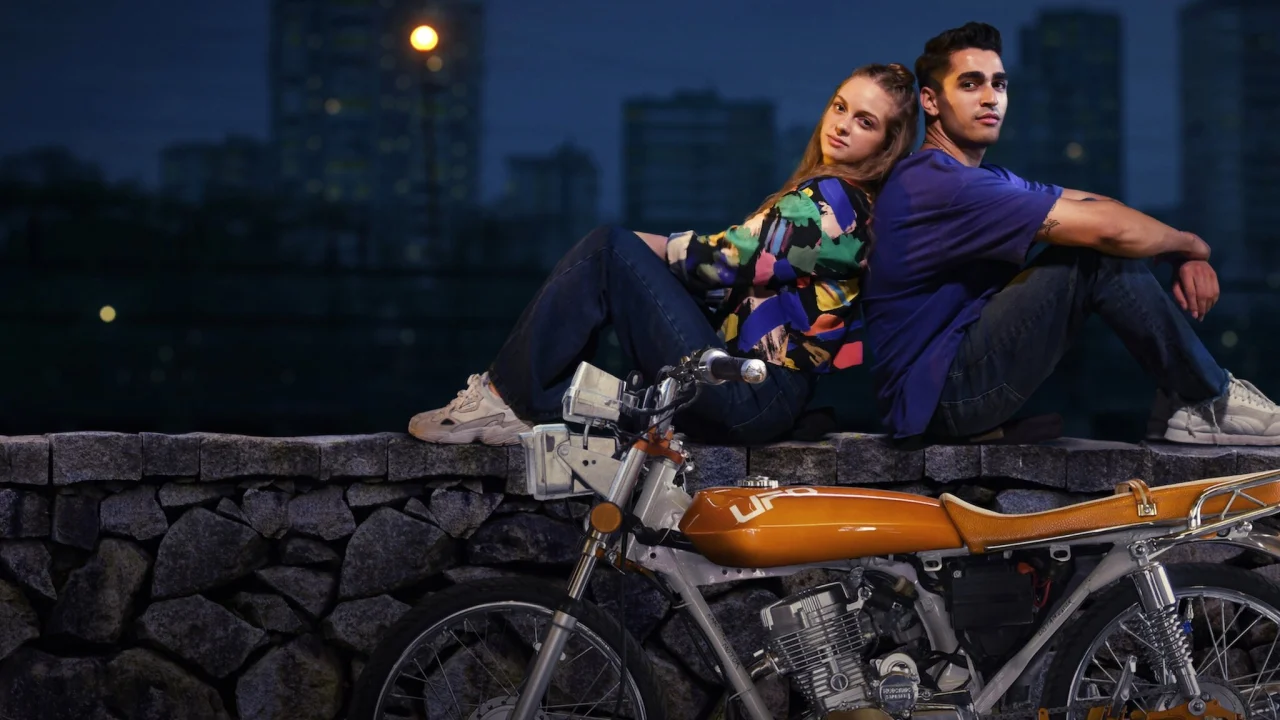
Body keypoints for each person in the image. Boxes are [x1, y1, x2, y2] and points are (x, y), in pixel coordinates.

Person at [408, 63, 920, 446]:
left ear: (887, 145)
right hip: (749, 388)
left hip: (751, 394)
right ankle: (530, 400)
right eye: (839, 107)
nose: (843, 124)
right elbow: (736, 283)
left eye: (865, 121)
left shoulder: (833, 204)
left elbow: (723, 260)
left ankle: (504, 401)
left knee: (608, 248)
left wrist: (639, 247)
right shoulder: (846, 204)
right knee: (616, 257)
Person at [860, 21, 1280, 447]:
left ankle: (1182, 400)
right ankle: (1208, 400)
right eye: (970, 84)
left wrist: (1173, 249)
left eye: (999, 84)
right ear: (930, 101)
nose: (990, 98)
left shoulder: (984, 179)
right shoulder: (938, 184)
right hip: (943, 398)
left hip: (947, 389)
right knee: (1092, 257)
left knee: (1095, 242)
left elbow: (1098, 205)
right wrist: (1192, 246)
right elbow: (1109, 230)